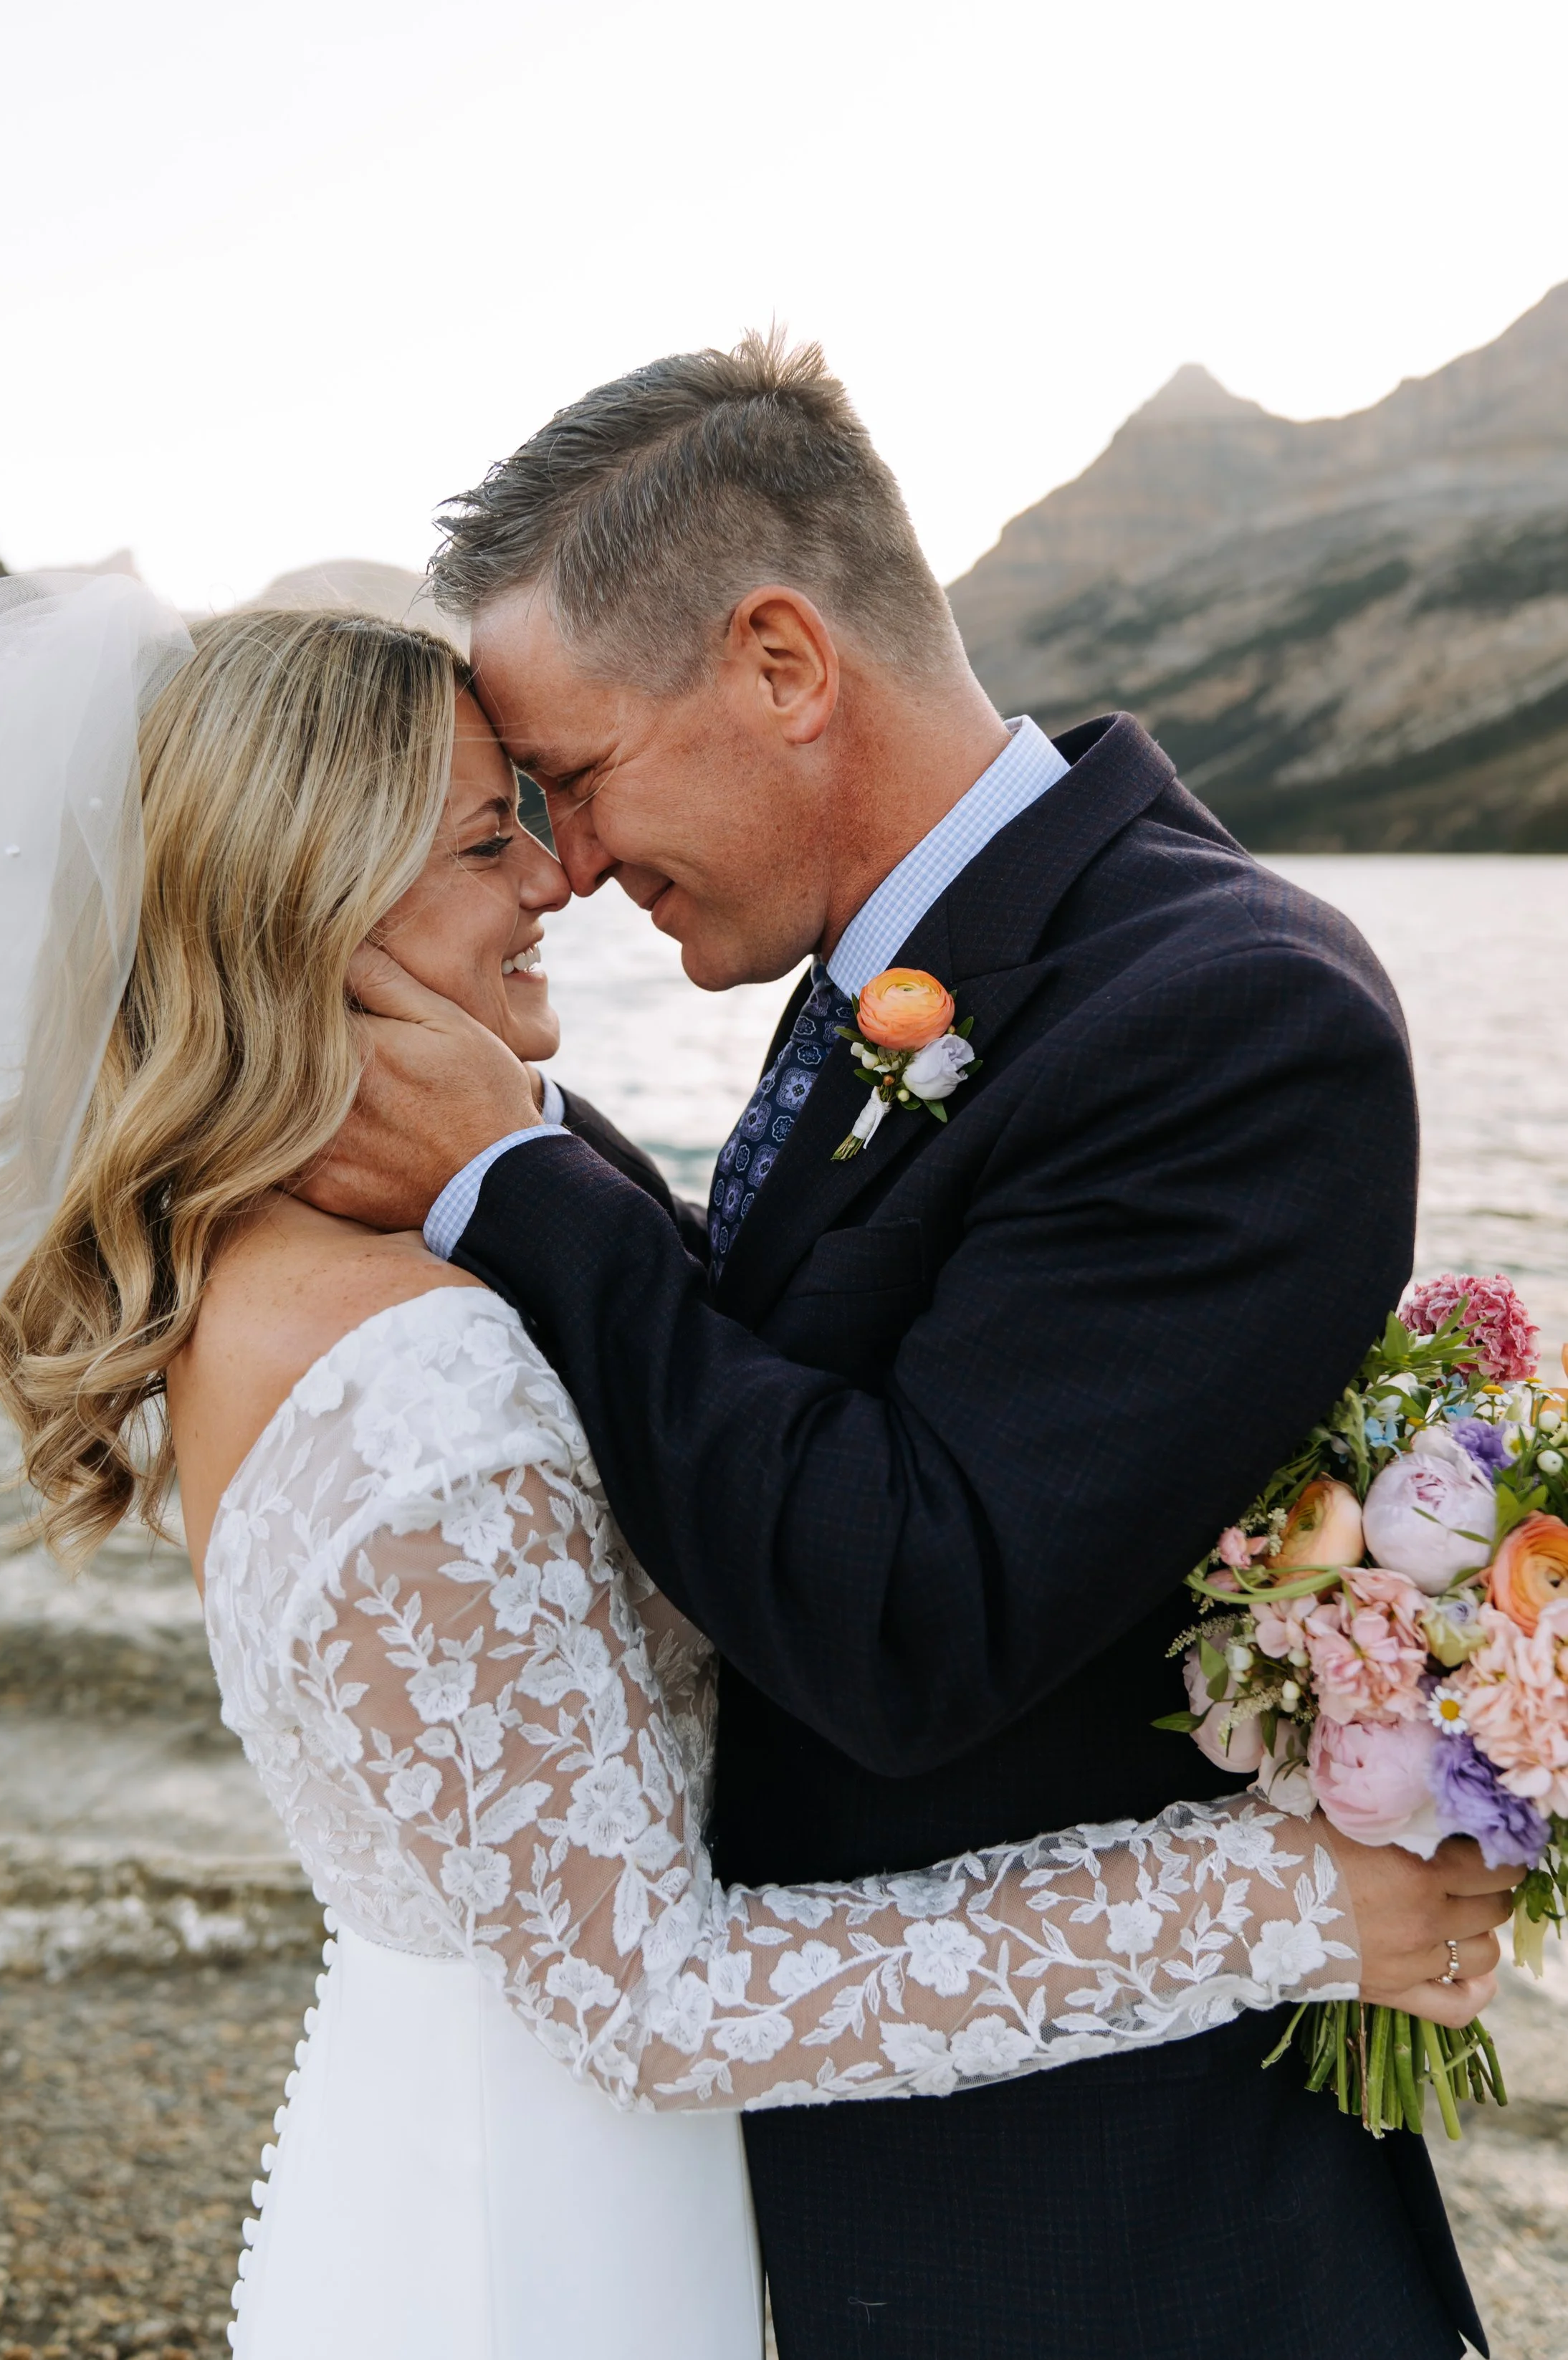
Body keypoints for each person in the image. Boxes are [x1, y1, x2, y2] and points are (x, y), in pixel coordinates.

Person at [298, 335, 1516, 2360]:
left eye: (577, 778)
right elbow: (782, 1369)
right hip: (876, 2177)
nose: (572, 861)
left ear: (781, 664)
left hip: (1122, 2254)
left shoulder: (1231, 1014)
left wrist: (511, 1179)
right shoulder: (873, 964)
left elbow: (906, 1615)